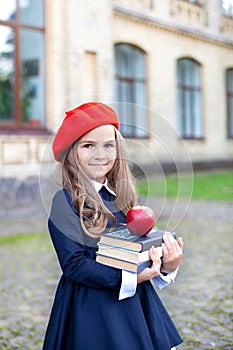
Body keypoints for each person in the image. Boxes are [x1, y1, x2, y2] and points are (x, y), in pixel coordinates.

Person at [42, 102, 184, 350]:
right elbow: (74, 265)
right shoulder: (64, 202)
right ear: (70, 153)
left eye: (109, 145)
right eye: (88, 146)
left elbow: (136, 248)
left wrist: (166, 265)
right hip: (89, 308)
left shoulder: (121, 197)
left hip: (134, 305)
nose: (101, 155)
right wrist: (131, 277)